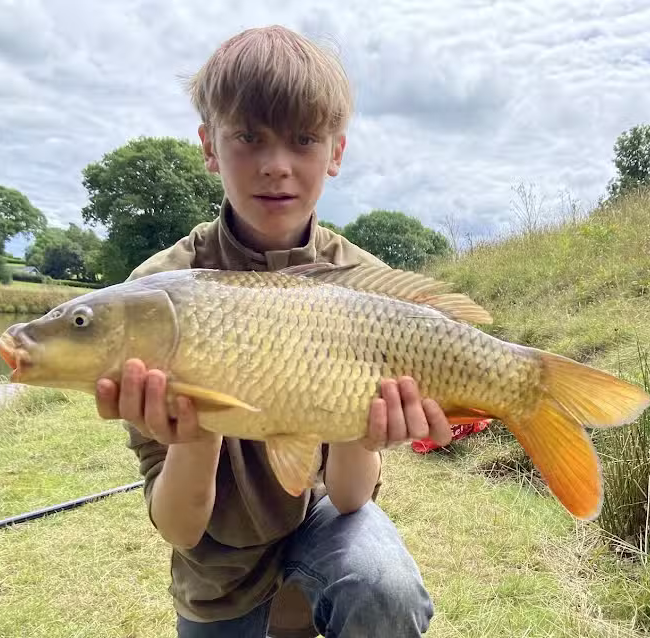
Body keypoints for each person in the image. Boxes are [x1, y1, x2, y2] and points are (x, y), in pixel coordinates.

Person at [93, 25, 453, 638]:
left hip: (320, 523)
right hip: (217, 574)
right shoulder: (156, 296)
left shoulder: (362, 285)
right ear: (209, 145)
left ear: (336, 152)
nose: (276, 166)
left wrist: (364, 432)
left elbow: (348, 498)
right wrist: (197, 430)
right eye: (247, 137)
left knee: (382, 586)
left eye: (304, 140)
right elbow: (181, 529)